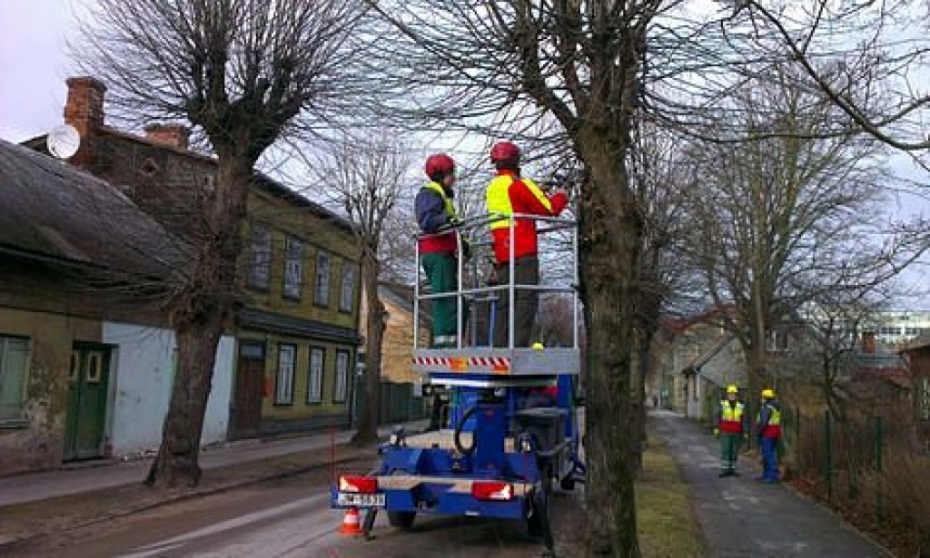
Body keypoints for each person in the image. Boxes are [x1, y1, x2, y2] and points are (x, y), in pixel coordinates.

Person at [484, 141, 568, 348]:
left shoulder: (493, 187)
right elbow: (549, 210)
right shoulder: (519, 184)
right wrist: (562, 195)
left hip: (503, 252)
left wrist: (539, 190)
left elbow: (517, 203)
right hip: (523, 251)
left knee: (505, 302)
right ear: (516, 161)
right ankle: (519, 345)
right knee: (526, 299)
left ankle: (499, 346)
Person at [416, 153, 466, 348]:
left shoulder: (440, 195)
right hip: (438, 254)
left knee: (459, 302)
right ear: (439, 175)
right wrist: (446, 220)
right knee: (446, 301)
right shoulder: (429, 194)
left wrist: (464, 245)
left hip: (443, 253)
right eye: (450, 173)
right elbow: (427, 221)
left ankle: (454, 341)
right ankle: (445, 346)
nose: (454, 177)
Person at [713, 384, 749, 477]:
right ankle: (725, 470)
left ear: (736, 395)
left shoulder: (740, 406)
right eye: (730, 394)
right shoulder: (722, 404)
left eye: (733, 394)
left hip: (736, 432)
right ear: (727, 394)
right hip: (725, 431)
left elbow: (744, 420)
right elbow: (717, 416)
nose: (732, 395)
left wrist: (745, 431)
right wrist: (716, 428)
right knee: (725, 450)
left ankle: (732, 470)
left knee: (734, 451)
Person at [755, 388, 782, 483]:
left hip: (767, 433)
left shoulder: (767, 407)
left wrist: (759, 433)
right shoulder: (775, 406)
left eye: (762, 397)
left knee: (768, 454)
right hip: (775, 432)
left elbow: (763, 422)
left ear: (766, 398)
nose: (761, 399)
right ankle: (767, 474)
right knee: (772, 453)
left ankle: (772, 476)